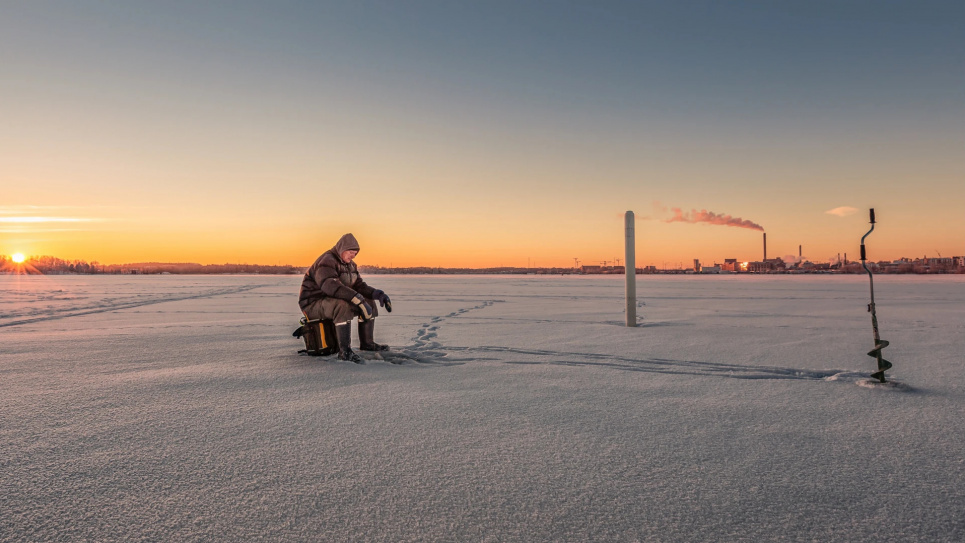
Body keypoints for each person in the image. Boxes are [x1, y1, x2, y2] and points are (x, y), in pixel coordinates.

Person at [298, 233, 392, 363]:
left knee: (368, 301)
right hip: (312, 303)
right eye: (351, 252)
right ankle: (345, 351)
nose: (353, 256)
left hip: (330, 301)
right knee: (342, 305)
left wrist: (378, 294)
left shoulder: (351, 265)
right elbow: (330, 286)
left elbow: (359, 286)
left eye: (355, 254)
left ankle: (367, 343)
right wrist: (357, 299)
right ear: (342, 249)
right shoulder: (326, 261)